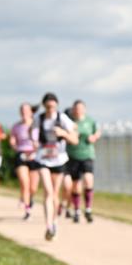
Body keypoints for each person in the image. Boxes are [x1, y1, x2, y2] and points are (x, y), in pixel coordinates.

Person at [33, 93, 78, 240]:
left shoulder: (62, 119)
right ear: (44, 106)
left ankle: (55, 221)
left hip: (59, 160)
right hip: (43, 159)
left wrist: (63, 133)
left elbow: (74, 140)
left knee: (55, 194)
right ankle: (48, 226)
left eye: (53, 106)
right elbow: (31, 131)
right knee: (48, 191)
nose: (50, 109)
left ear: (57, 106)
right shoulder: (38, 118)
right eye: (47, 106)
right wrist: (33, 141)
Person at [64, 99, 101, 223]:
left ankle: (88, 209)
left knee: (88, 180)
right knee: (76, 185)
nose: (78, 111)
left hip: (87, 154)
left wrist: (94, 137)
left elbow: (98, 131)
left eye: (80, 108)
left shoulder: (90, 121)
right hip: (73, 155)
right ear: (73, 110)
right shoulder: (69, 122)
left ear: (84, 109)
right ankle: (76, 210)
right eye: (76, 108)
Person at [9, 103, 41, 220]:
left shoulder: (37, 125)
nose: (24, 112)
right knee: (24, 182)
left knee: (33, 187)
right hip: (21, 154)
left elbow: (42, 140)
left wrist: (36, 148)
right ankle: (27, 210)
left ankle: (29, 198)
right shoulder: (16, 126)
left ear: (31, 112)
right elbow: (12, 140)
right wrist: (14, 145)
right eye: (22, 110)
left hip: (35, 156)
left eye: (26, 110)